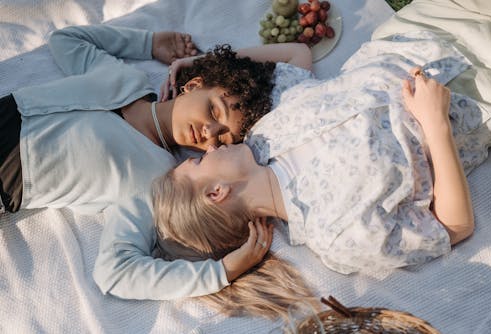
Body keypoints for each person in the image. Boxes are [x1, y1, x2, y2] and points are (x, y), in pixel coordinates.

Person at [153, 31, 491, 318]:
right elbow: (453, 227)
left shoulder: (263, 133)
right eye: (197, 162)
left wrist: (200, 64)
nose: (210, 147)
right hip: (481, 89)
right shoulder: (337, 234)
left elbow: (294, 57)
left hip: (421, 32)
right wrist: (434, 123)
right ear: (216, 193)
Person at [0, 24, 314, 299]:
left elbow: (115, 271)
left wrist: (221, 273)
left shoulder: (154, 179)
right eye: (215, 112)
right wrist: (151, 43)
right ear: (193, 85)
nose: (208, 134)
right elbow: (66, 39)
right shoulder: (127, 79)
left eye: (221, 139)